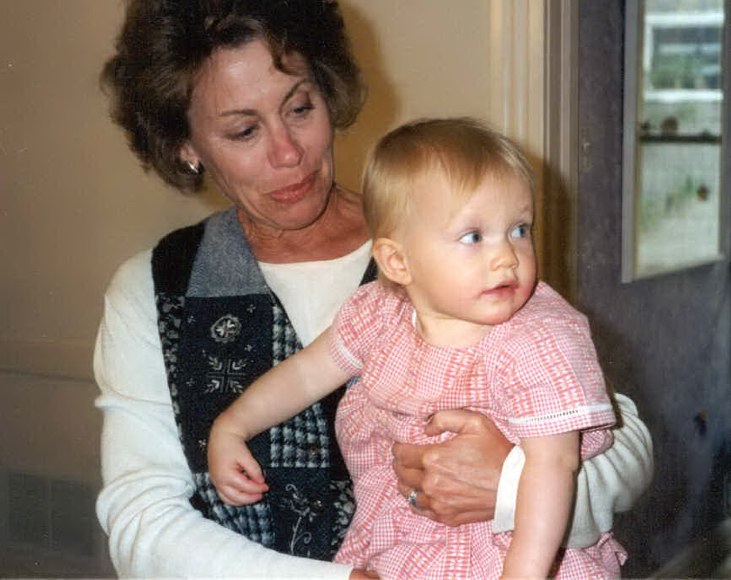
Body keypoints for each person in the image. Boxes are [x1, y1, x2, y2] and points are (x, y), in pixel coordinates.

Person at [94, 1, 653, 578]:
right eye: (244, 130)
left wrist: (508, 483)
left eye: (300, 108)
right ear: (186, 145)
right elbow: (141, 521)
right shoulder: (158, 288)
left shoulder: (455, 249)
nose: (288, 152)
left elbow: (625, 452)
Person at [207, 118, 626, 579]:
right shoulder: (378, 313)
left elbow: (554, 467)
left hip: (517, 550)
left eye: (519, 229)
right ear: (397, 261)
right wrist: (233, 426)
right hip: (405, 544)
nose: (507, 256)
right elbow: (306, 374)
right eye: (474, 236)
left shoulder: (539, 338)